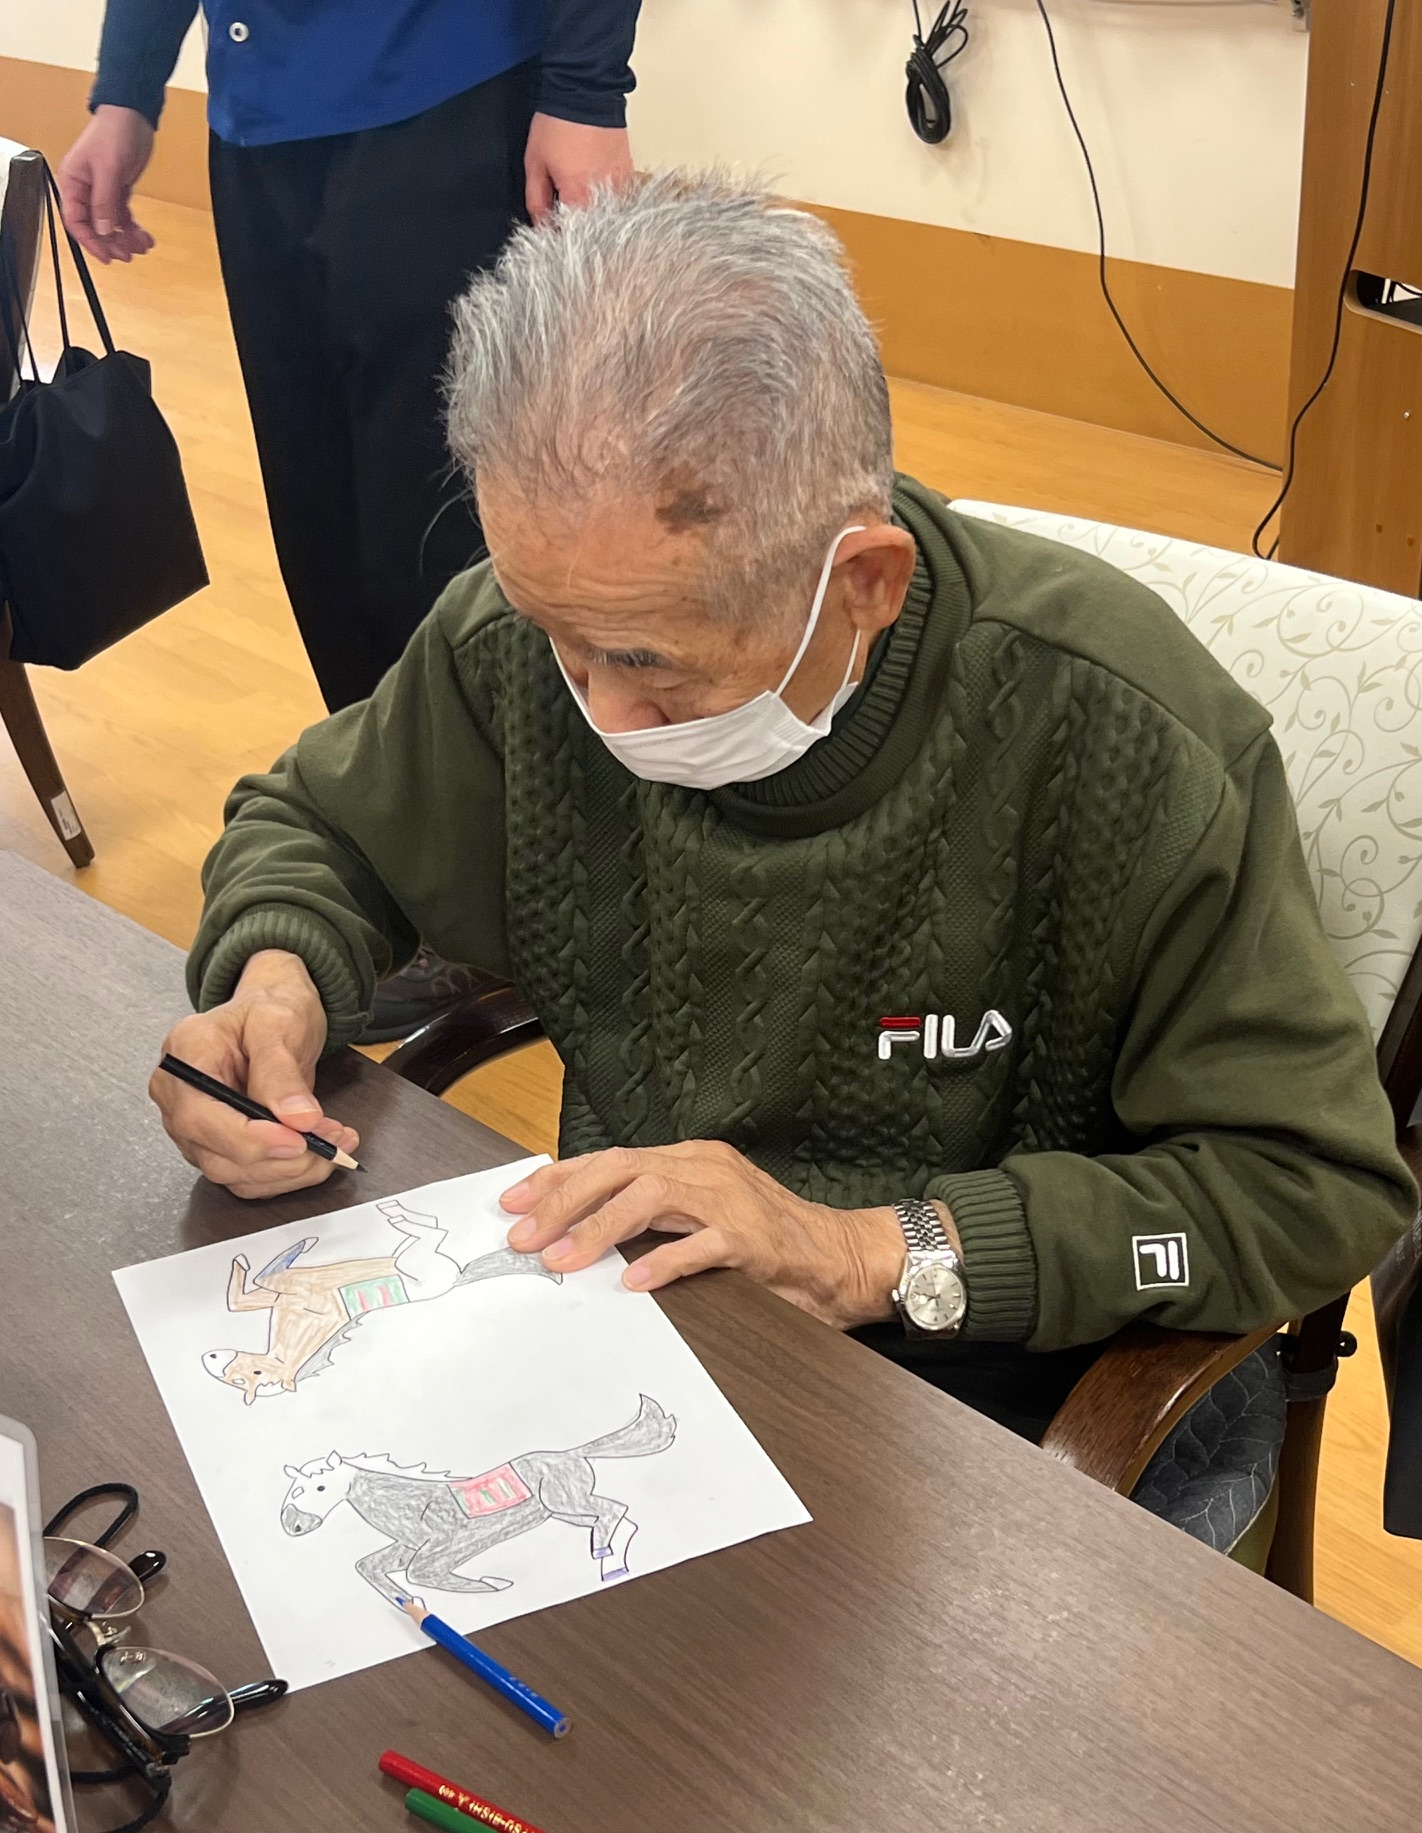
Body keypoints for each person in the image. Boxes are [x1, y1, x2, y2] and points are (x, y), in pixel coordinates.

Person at [150, 174, 1413, 1472]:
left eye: (649, 662)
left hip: (988, 1393)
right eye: (555, 636)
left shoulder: (1119, 735)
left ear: (863, 583)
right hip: (638, 1327)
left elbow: (1309, 1188)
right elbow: (319, 823)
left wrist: (870, 1250)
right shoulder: (532, 633)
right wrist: (276, 985)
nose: (597, 713)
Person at [58, 0, 641, 1039]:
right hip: (259, 123)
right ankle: (414, 865)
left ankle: (512, 903)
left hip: (449, 94)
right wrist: (127, 89)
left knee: (438, 531)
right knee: (319, 522)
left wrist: (585, 90)